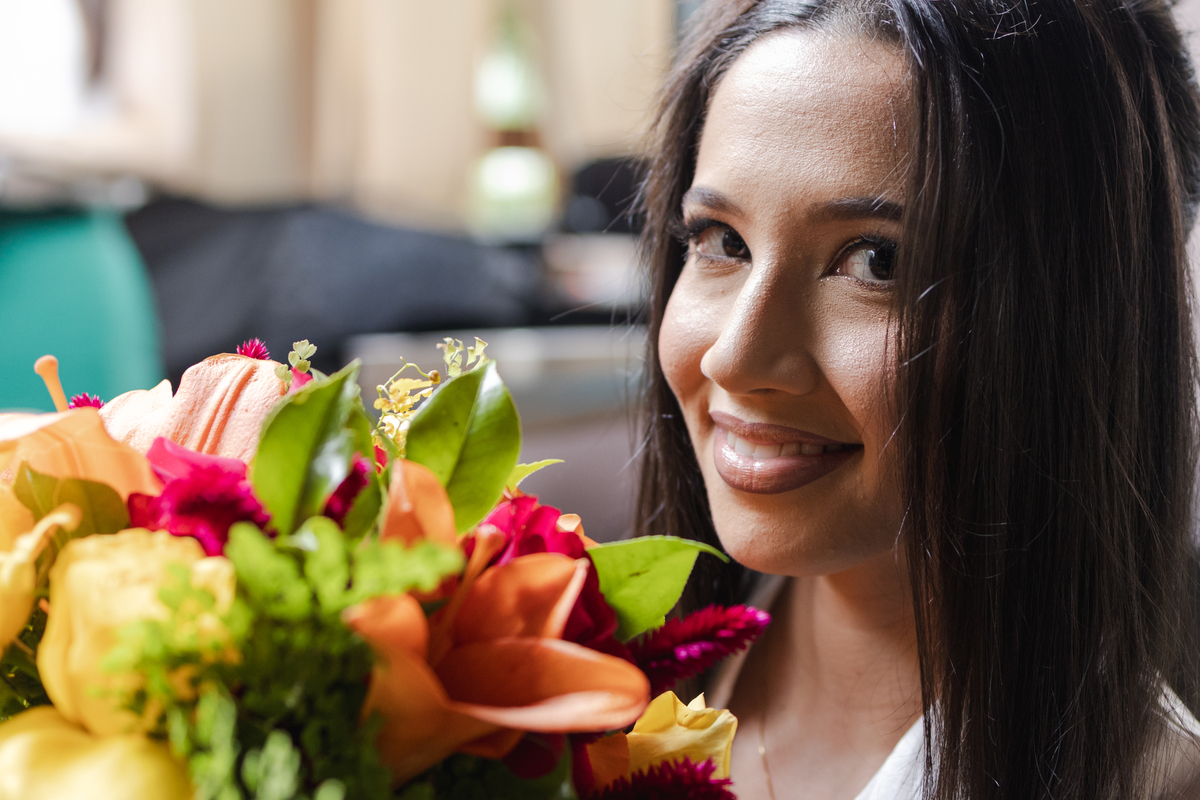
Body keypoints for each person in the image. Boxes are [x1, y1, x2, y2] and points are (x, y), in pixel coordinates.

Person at [633, 0, 1200, 797]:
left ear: (1078, 317)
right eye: (722, 241)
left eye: (877, 262)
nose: (737, 354)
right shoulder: (575, 675)